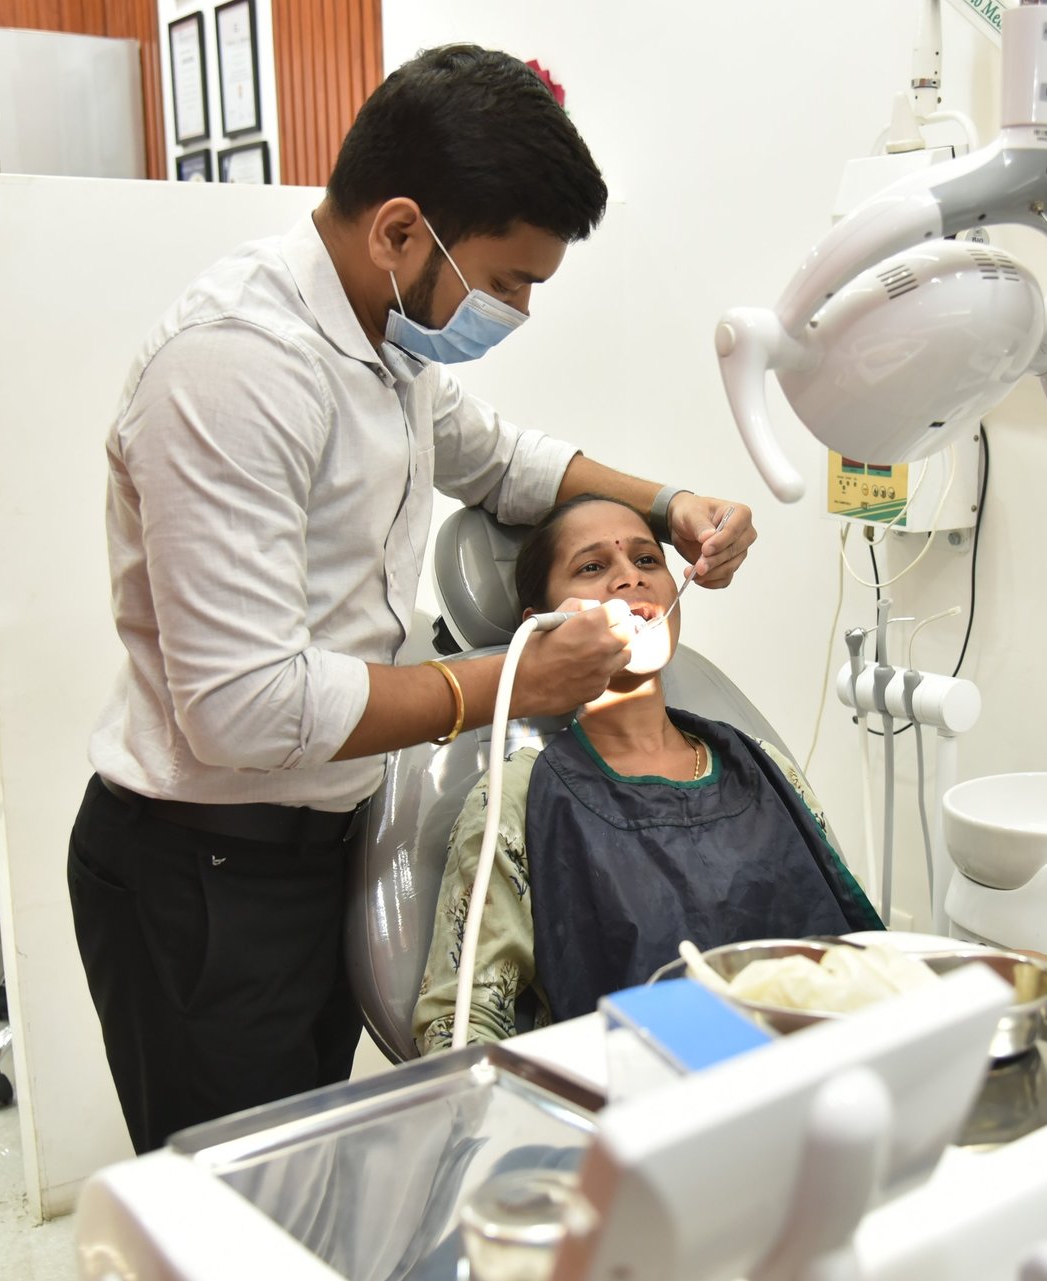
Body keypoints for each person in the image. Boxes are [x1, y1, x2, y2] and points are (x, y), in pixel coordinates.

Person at [66, 46, 758, 1154]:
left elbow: (500, 461)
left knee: (318, 1179)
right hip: (204, 873)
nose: (520, 311)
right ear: (399, 232)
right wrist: (510, 685)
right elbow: (242, 706)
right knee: (244, 1214)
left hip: (312, 844)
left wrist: (670, 500)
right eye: (510, 283)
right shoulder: (236, 370)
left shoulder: (383, 343)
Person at [413, 496, 880, 1052]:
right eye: (592, 567)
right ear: (542, 627)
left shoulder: (761, 766)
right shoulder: (520, 798)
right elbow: (458, 1030)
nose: (629, 578)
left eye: (647, 560)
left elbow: (860, 964)